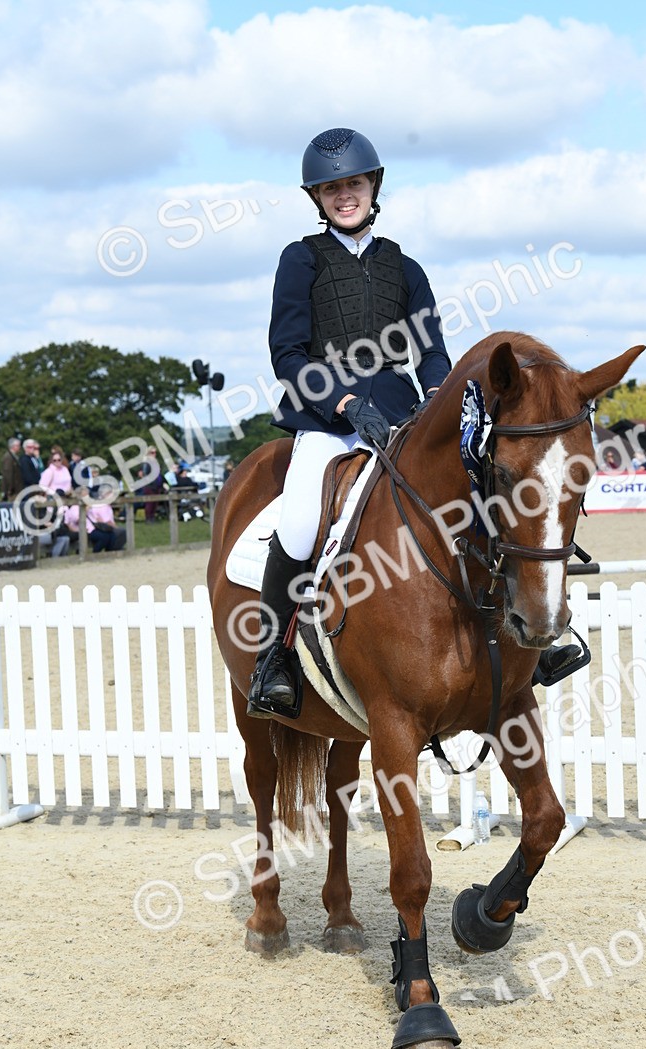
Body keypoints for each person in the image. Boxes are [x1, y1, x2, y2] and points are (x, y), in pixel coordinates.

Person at [246, 127, 452, 716]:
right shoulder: (301, 259)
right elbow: (286, 353)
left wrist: (437, 394)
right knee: (302, 519)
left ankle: (524, 642)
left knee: (472, 492)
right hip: (327, 421)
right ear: (317, 197)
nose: (345, 195)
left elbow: (432, 349)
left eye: (354, 184)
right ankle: (273, 660)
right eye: (332, 187)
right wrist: (341, 404)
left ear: (373, 186)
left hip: (398, 417)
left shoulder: (403, 266)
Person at [0, 437, 23, 501]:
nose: (19, 447)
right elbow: (8, 474)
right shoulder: (8, 457)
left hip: (16, 490)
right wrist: (10, 489)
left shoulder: (14, 456)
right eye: (18, 445)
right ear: (13, 446)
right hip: (12, 491)